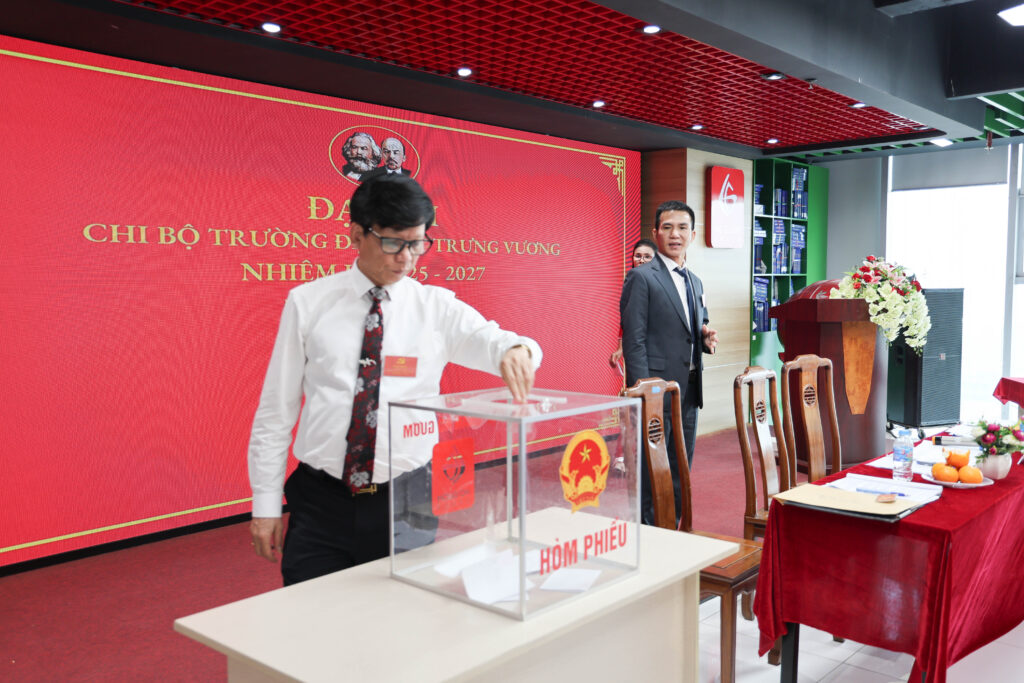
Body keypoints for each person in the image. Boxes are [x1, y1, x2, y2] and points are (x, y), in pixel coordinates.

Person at [247, 174, 542, 585]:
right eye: (393, 243)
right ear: (357, 234)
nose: (406, 258)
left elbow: (498, 342)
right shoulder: (308, 302)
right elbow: (276, 411)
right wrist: (264, 505)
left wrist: (519, 350)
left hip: (408, 501)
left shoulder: (435, 307)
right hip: (321, 502)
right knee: (310, 612)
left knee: (404, 614)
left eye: (417, 243)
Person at [619, 201, 718, 524]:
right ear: (655, 233)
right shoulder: (641, 277)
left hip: (688, 390)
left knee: (680, 466)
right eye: (667, 227)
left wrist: (704, 336)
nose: (675, 234)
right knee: (652, 469)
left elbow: (693, 326)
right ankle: (648, 531)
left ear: (693, 234)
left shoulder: (695, 281)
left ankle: (672, 527)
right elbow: (634, 341)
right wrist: (644, 392)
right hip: (657, 392)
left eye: (682, 227)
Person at [609, 238, 657, 370]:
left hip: (658, 350)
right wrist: (620, 348)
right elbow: (626, 319)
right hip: (638, 351)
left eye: (647, 257)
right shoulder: (631, 280)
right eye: (638, 256)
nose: (641, 260)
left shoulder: (662, 284)